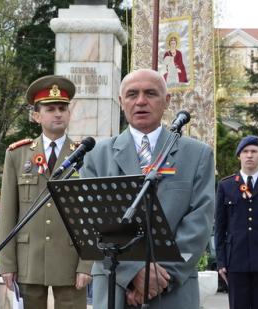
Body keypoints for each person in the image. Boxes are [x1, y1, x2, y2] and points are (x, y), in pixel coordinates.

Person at [81, 68, 214, 308]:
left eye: (150, 93)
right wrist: (132, 275)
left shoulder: (197, 155)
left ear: (167, 101)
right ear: (121, 102)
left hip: (173, 290)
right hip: (115, 288)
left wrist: (160, 279)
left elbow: (199, 223)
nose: (141, 101)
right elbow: (92, 226)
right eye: (132, 94)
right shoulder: (96, 156)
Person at [0, 75, 92, 309]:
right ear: (37, 116)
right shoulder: (17, 155)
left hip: (69, 260)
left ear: (69, 114)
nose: (58, 113)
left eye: (62, 108)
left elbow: (90, 216)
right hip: (29, 259)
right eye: (50, 109)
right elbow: (9, 212)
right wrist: (7, 263)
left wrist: (86, 264)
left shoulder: (84, 155)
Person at [214, 135, 258, 309]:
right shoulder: (226, 186)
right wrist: (221, 262)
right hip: (235, 261)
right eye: (245, 151)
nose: (249, 155)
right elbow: (220, 228)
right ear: (239, 156)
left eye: (254, 151)